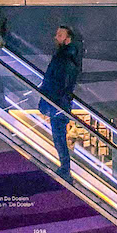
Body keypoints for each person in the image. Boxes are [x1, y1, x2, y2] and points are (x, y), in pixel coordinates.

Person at [39, 24, 82, 181]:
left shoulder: (65, 59)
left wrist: (51, 99)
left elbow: (60, 82)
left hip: (58, 103)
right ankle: (64, 169)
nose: (56, 37)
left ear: (68, 39)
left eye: (60, 35)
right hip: (59, 103)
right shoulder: (65, 56)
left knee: (59, 137)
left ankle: (65, 169)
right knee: (58, 137)